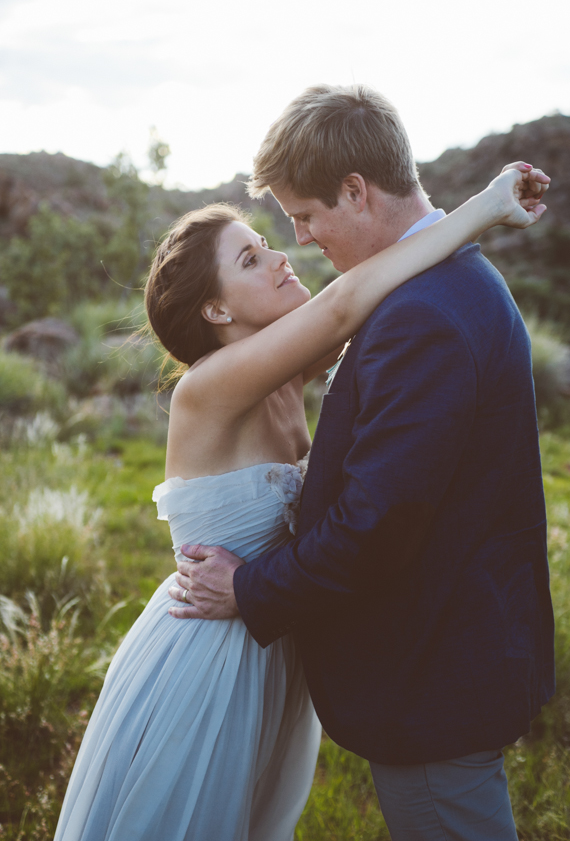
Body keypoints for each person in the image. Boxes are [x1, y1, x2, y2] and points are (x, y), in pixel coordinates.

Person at [54, 146, 547, 840]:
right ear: (216, 308)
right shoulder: (209, 386)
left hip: (269, 641)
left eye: (265, 242)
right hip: (210, 649)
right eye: (251, 259)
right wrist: (486, 210)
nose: (283, 255)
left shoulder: (284, 371)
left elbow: (380, 295)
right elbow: (348, 301)